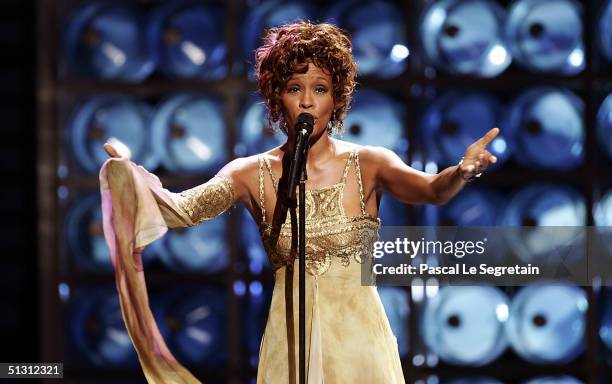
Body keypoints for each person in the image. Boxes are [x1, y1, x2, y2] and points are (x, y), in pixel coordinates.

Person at [100, 21, 499, 384]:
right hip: (289, 348)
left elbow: (430, 190)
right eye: (295, 88)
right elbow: (180, 211)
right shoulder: (250, 173)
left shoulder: (369, 163)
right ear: (278, 96)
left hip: (361, 348)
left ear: (336, 98)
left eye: (320, 89)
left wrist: (461, 172)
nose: (307, 101)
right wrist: (127, 175)